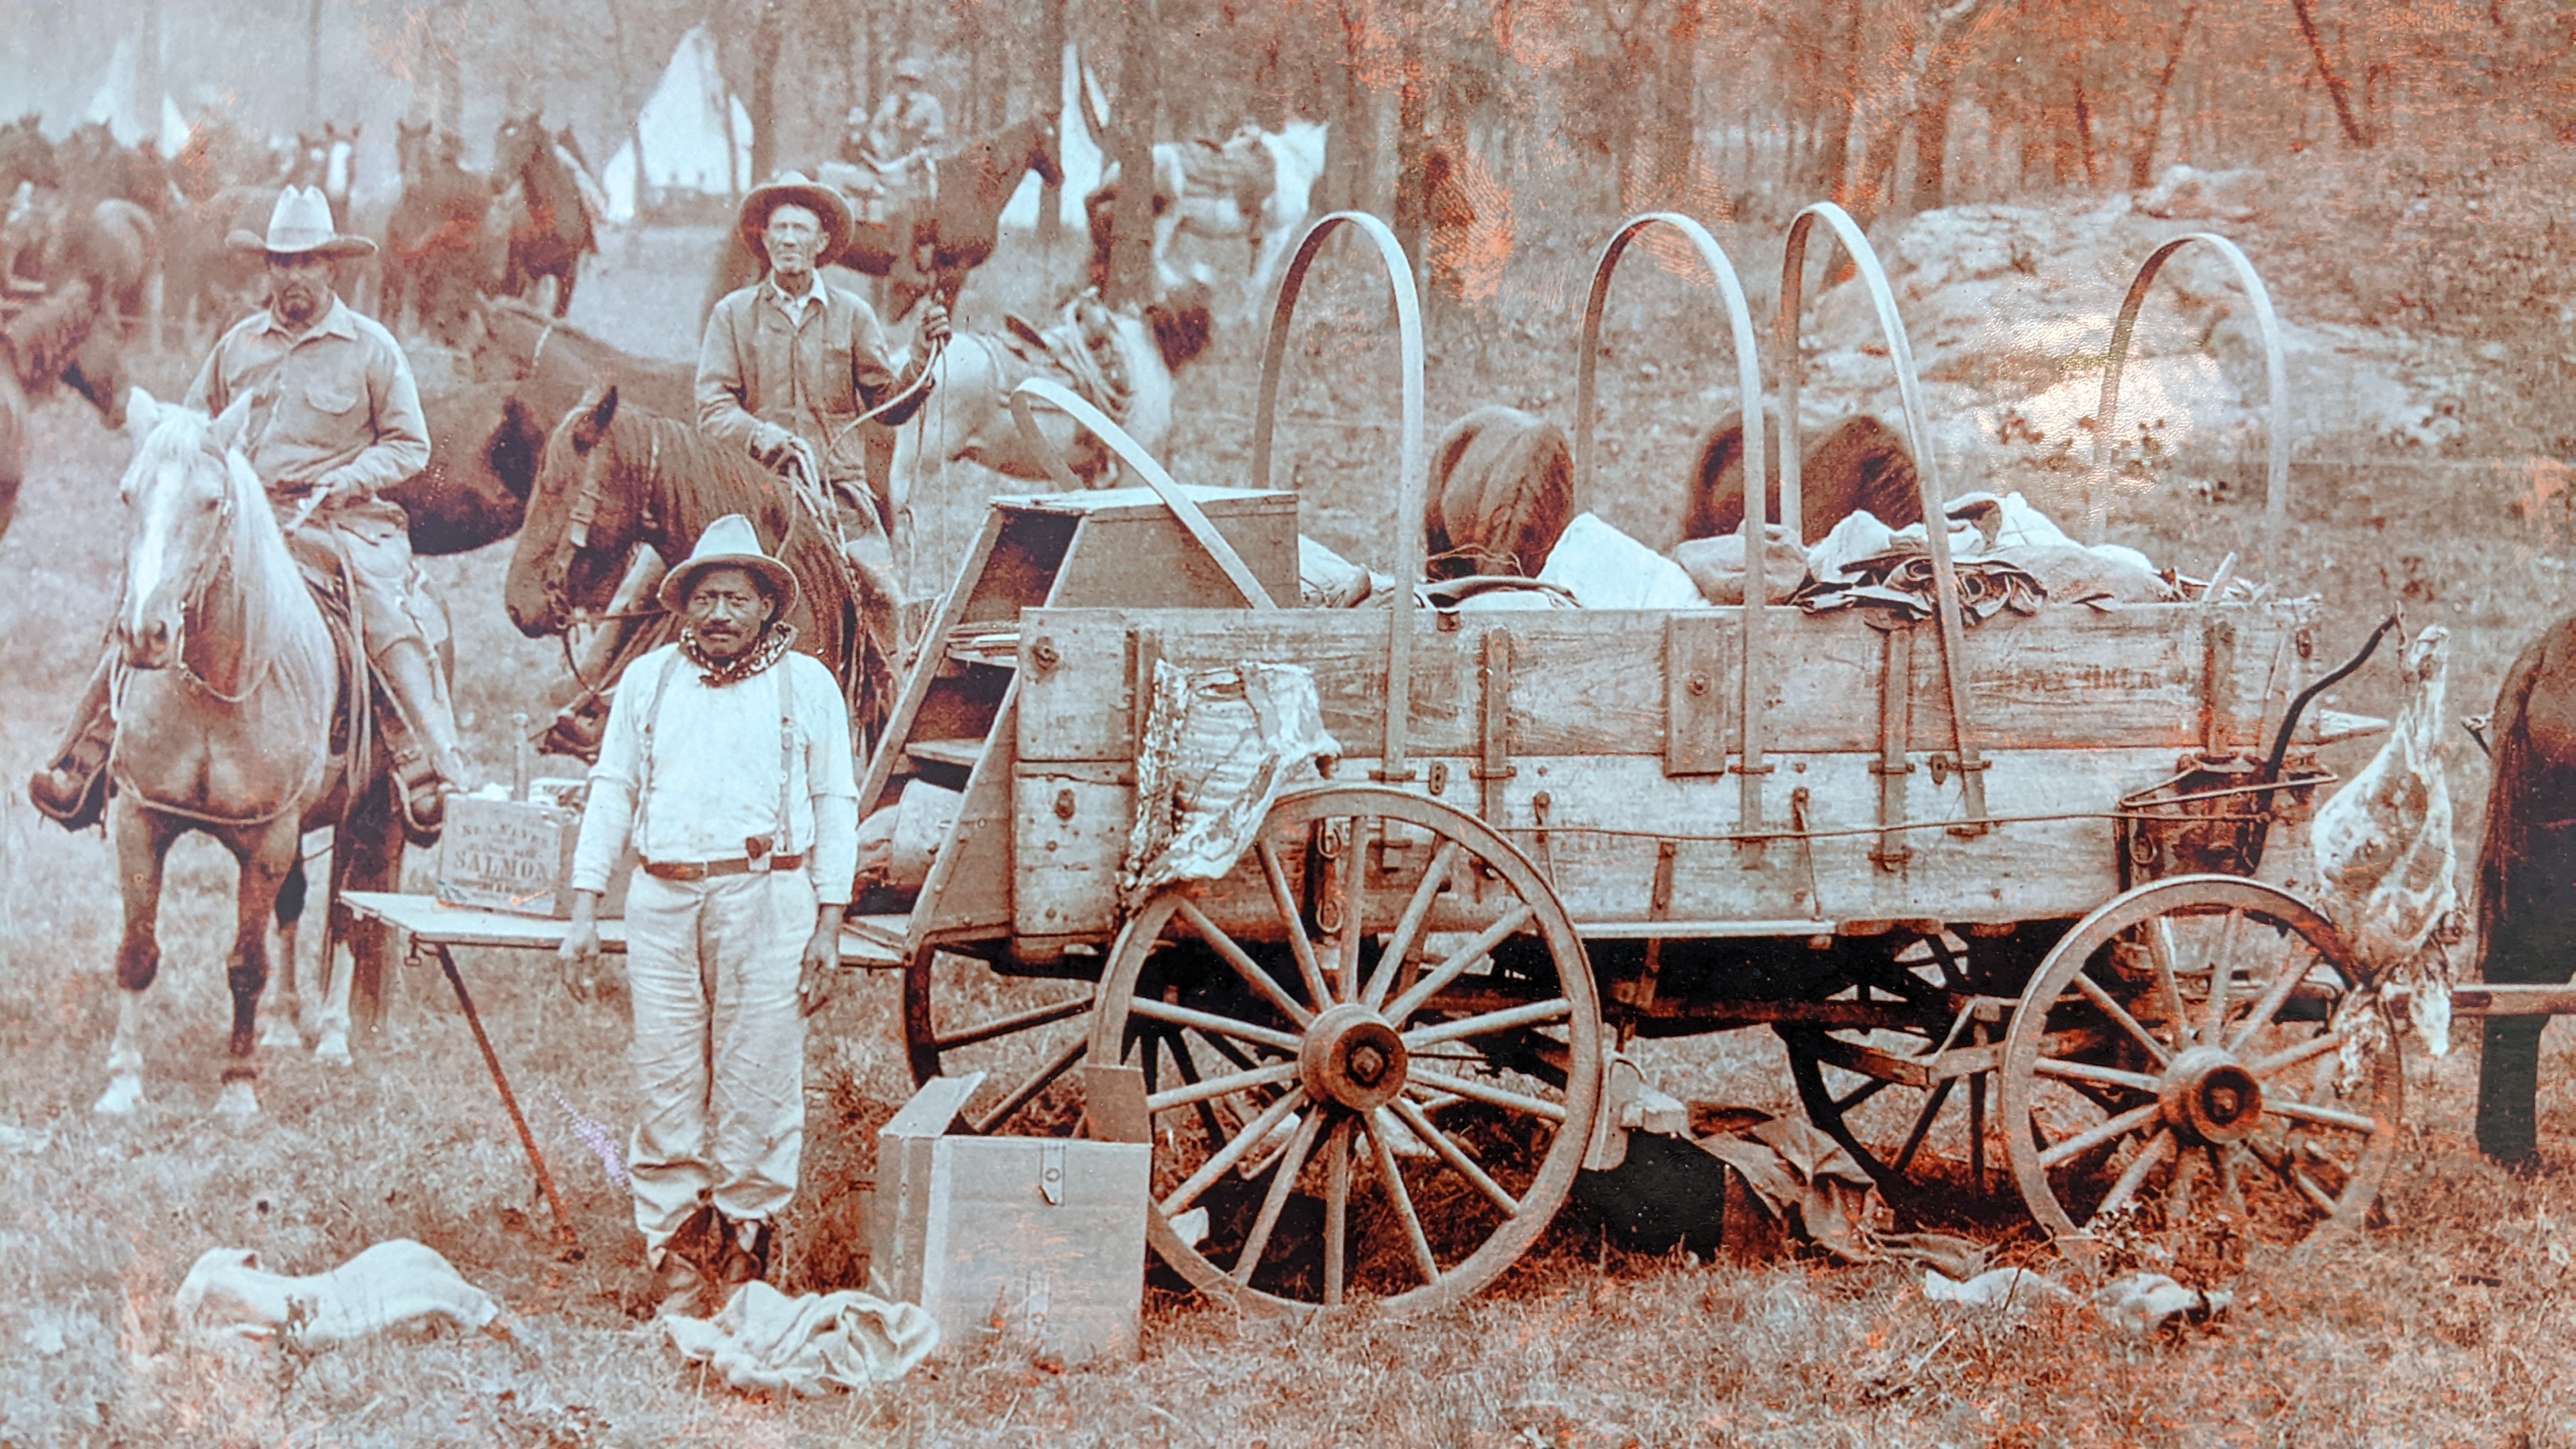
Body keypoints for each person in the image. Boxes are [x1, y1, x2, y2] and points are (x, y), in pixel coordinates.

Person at [29, 186, 464, 840]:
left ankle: (425, 763)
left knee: (380, 614)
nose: (293, 276)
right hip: (239, 517)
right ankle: (83, 757)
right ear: (266, 269)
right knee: (146, 596)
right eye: (281, 263)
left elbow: (410, 445)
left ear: (331, 267)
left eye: (307, 262)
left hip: (339, 521)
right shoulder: (238, 346)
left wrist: (349, 478)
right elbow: (195, 428)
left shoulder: (371, 347)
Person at [558, 515, 860, 1318]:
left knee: (758, 1077)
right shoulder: (650, 681)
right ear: (684, 606)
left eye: (737, 598)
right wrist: (586, 909)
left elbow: (837, 804)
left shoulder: (807, 687)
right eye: (706, 598)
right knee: (666, 1082)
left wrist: (829, 920)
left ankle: (744, 1250)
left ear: (767, 607)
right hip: (661, 902)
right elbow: (613, 789)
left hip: (768, 900)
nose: (720, 614)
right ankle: (677, 1258)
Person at [696, 171, 948, 557]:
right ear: (764, 239)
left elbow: (888, 408)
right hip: (751, 492)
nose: (788, 239)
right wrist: (761, 435)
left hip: (838, 496)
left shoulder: (853, 315)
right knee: (683, 590)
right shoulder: (732, 315)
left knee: (881, 597)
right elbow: (713, 410)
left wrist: (920, 356)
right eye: (779, 228)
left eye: (800, 228)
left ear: (822, 241)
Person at [863, 57, 946, 170]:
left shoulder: (929, 104)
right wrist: (882, 147)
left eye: (910, 81)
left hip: (921, 157)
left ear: (917, 83)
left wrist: (921, 134)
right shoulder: (889, 103)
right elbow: (875, 128)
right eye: (901, 81)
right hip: (893, 157)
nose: (905, 86)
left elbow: (938, 131)